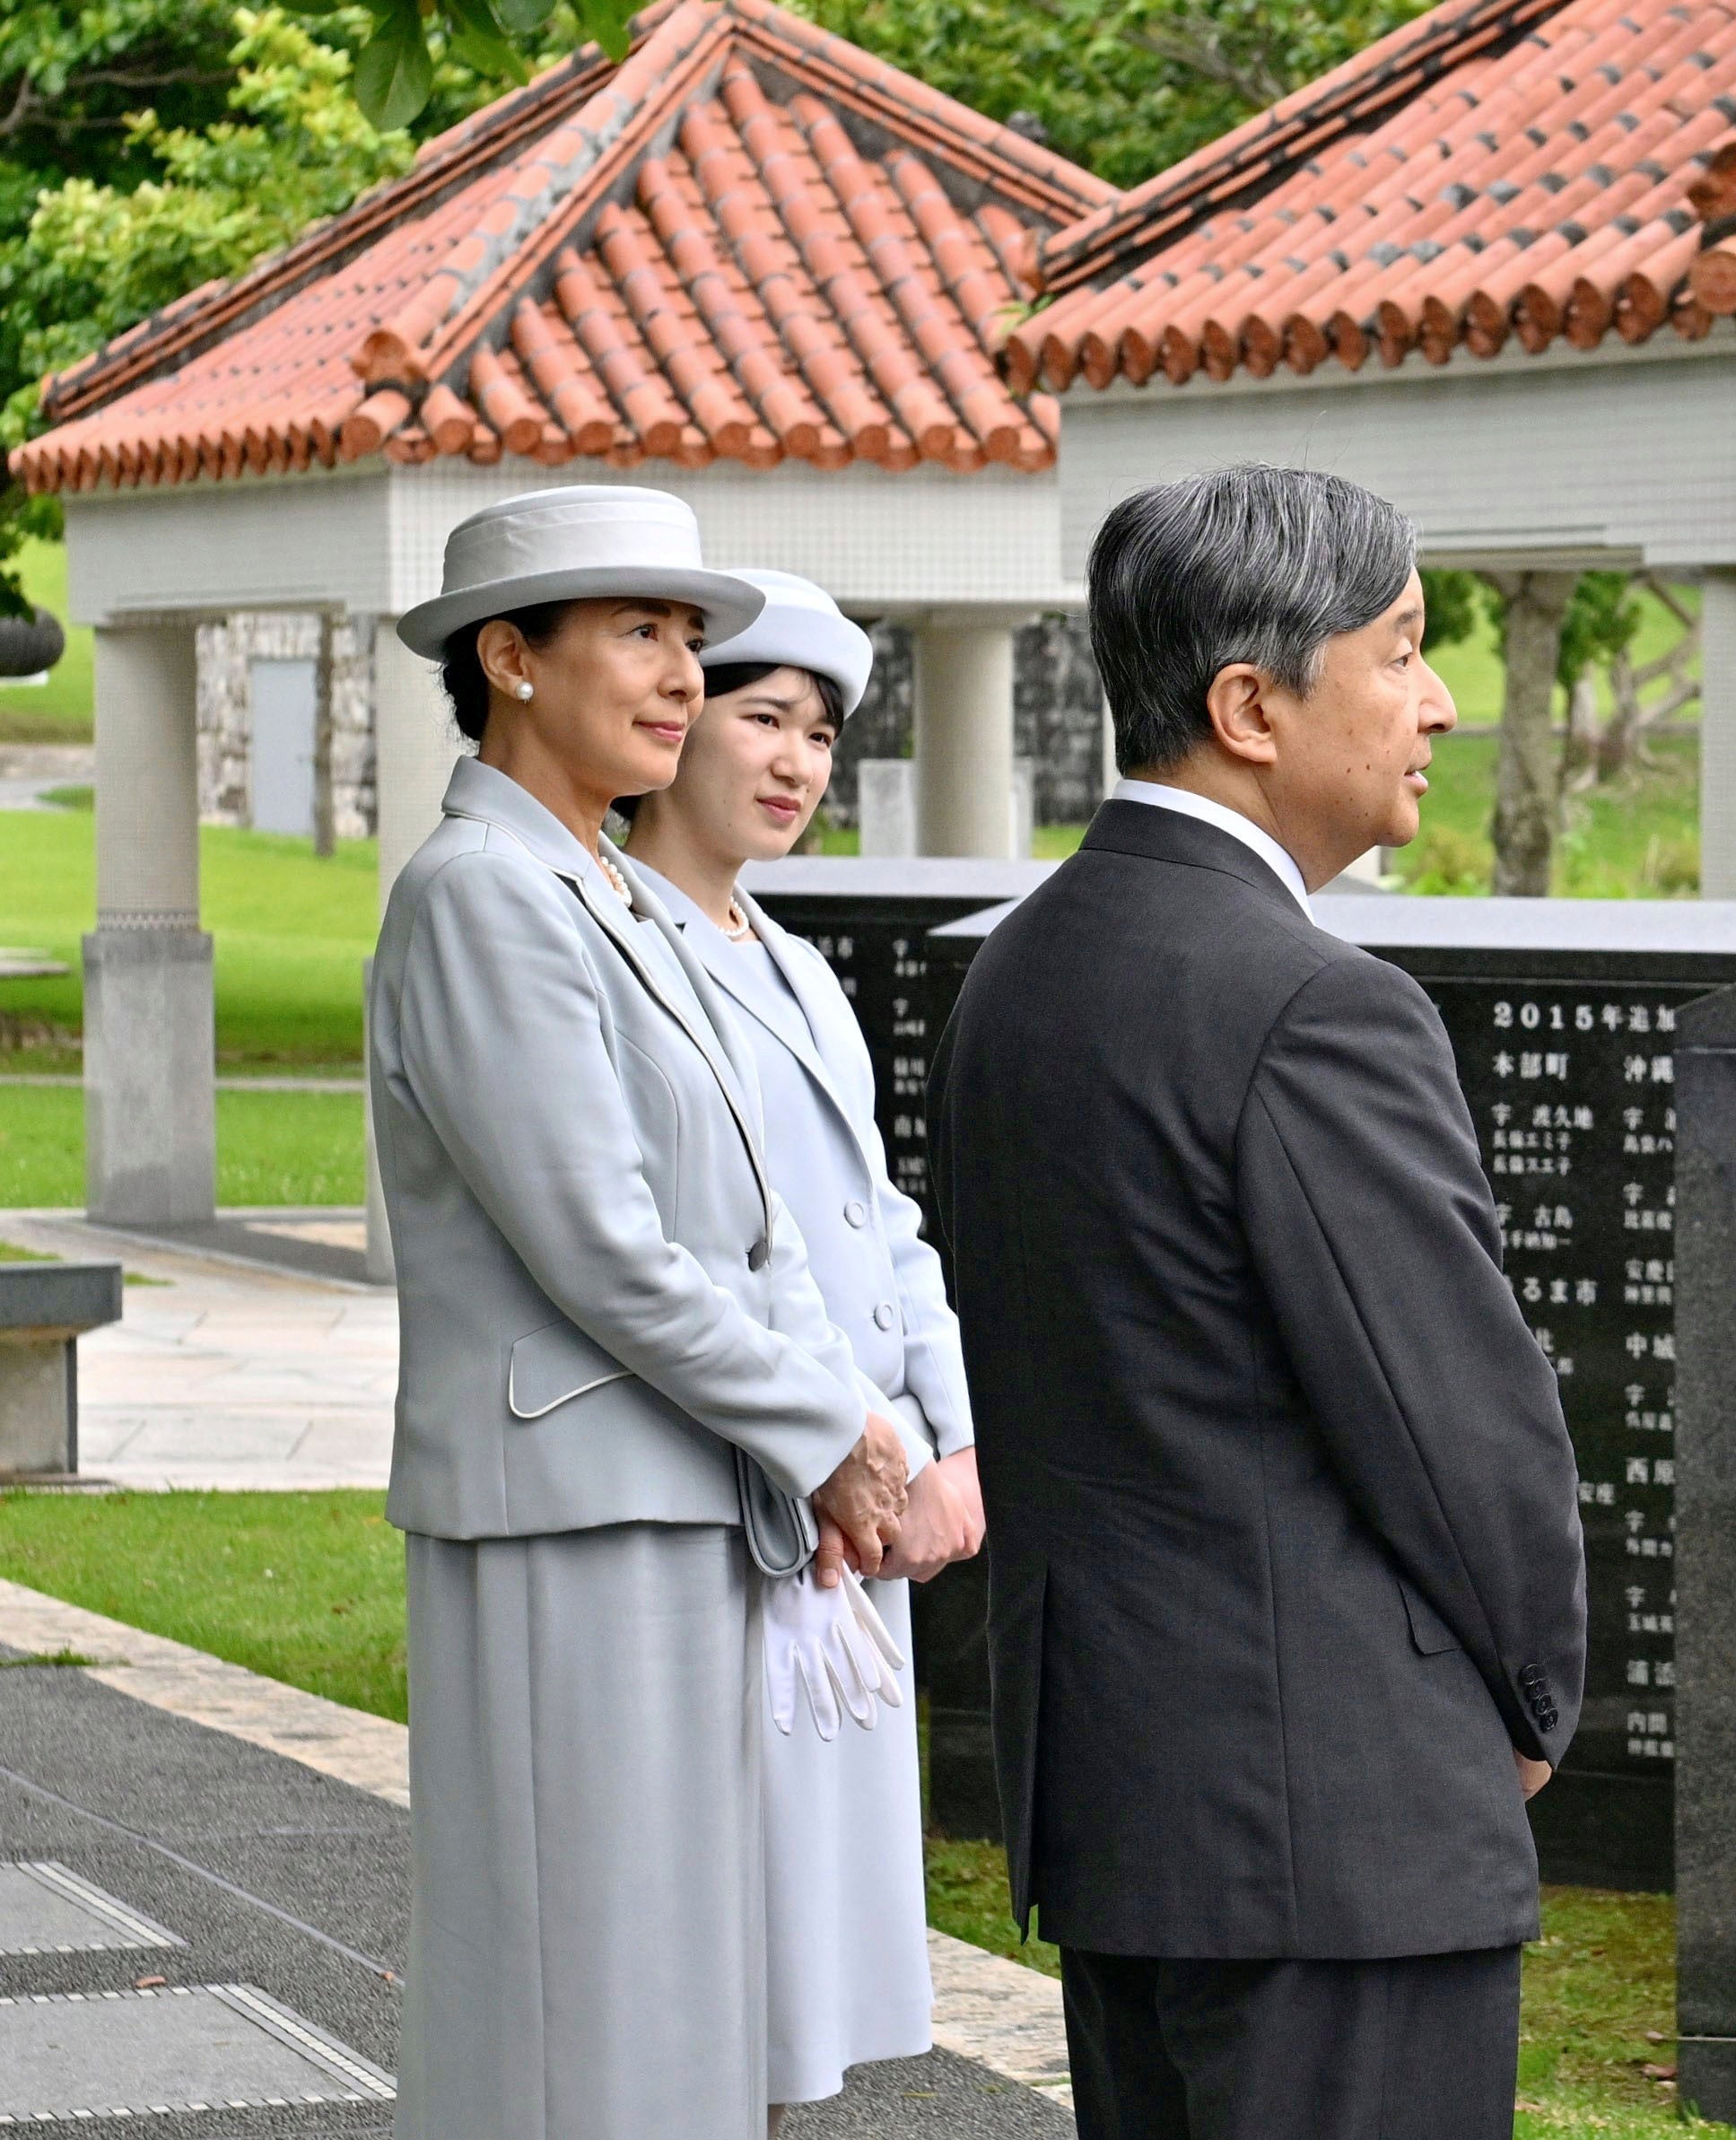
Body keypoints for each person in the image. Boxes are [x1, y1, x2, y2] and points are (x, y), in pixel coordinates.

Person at [929, 465, 1587, 2140]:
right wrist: (1529, 1697)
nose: (1438, 702)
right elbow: (1451, 1420)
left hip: (1127, 1798)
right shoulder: (1312, 1005)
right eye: (1400, 650)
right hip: (1337, 1821)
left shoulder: (1019, 968)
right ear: (1250, 707)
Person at [371, 487, 911, 2140]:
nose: (683, 675)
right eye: (639, 632)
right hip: (566, 1514)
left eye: (690, 638)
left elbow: (746, 1229)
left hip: (672, 1496)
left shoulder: (600, 891)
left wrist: (841, 1423)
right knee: (573, 1993)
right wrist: (827, 1430)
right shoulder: (482, 892)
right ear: (510, 659)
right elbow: (603, 1247)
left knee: (669, 1994)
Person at [615, 569, 986, 2133]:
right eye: (762, 717)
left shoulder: (796, 963)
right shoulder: (610, 943)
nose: (794, 763)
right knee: (713, 1946)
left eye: (821, 736)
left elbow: (879, 1223)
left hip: (864, 1497)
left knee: (806, 1967)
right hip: (761, 1498)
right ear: (679, 720)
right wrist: (846, 1449)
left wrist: (951, 1439)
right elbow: (679, 1258)